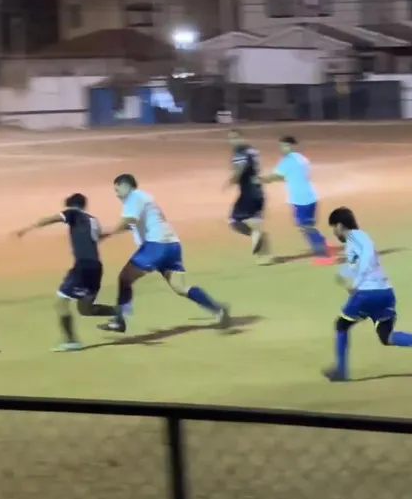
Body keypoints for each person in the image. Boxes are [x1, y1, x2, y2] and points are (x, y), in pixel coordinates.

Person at [97, 174, 230, 333]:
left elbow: (128, 221)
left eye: (117, 190)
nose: (117, 195)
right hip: (172, 245)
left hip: (156, 245)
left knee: (125, 277)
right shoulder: (143, 198)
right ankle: (217, 309)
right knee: (181, 288)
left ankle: (120, 319)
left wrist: (108, 233)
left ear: (126, 186)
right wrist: (109, 234)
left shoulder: (134, 197)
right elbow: (130, 225)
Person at [323, 207, 412, 382]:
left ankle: (341, 371)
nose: (334, 232)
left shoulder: (355, 237)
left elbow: (366, 259)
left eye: (334, 228)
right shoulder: (357, 239)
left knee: (341, 325)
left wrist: (356, 284)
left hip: (367, 293)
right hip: (386, 292)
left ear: (340, 225)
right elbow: (356, 263)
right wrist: (342, 273)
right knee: (386, 336)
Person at [14, 193, 119, 351]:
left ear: (71, 205)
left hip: (82, 266)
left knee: (61, 303)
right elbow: (97, 238)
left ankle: (71, 341)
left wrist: (27, 228)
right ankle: (119, 312)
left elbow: (51, 219)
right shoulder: (93, 220)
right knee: (85, 309)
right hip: (96, 267)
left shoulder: (73, 213)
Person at [257, 135, 331, 263]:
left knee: (305, 227)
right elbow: (288, 176)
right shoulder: (302, 158)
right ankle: (321, 244)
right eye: (281, 146)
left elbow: (275, 176)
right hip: (310, 196)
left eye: (284, 145)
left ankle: (322, 251)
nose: (282, 148)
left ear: (290, 146)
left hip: (300, 199)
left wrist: (260, 180)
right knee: (305, 225)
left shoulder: (287, 161)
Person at [226, 129, 269, 262]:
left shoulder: (240, 152)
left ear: (241, 138)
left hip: (248, 193)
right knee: (257, 225)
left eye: (234, 138)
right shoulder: (252, 150)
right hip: (259, 192)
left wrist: (232, 180)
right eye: (230, 138)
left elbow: (239, 169)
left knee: (234, 221)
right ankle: (265, 257)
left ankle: (253, 235)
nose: (232, 141)